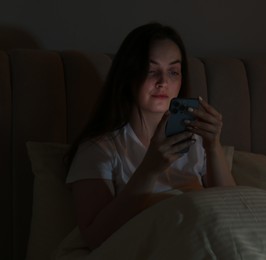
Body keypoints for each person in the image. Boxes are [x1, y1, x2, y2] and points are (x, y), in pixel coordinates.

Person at [65, 22, 236, 250]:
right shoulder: (100, 149)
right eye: (151, 70)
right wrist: (150, 168)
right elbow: (96, 239)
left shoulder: (195, 140)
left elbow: (234, 212)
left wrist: (213, 146)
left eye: (173, 72)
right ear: (129, 75)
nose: (163, 81)